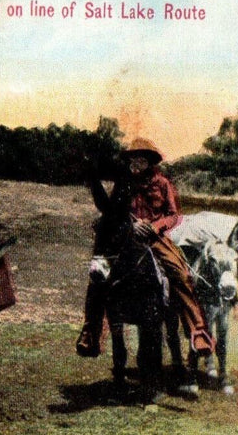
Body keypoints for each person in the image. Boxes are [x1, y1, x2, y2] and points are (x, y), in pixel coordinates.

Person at [76, 137, 215, 358]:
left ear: (150, 162)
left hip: (154, 238)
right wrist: (95, 183)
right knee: (98, 273)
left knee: (180, 272)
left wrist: (153, 227)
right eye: (133, 159)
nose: (136, 164)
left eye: (141, 160)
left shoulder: (163, 184)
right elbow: (111, 210)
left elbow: (173, 215)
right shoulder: (124, 183)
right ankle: (90, 331)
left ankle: (197, 331)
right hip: (125, 235)